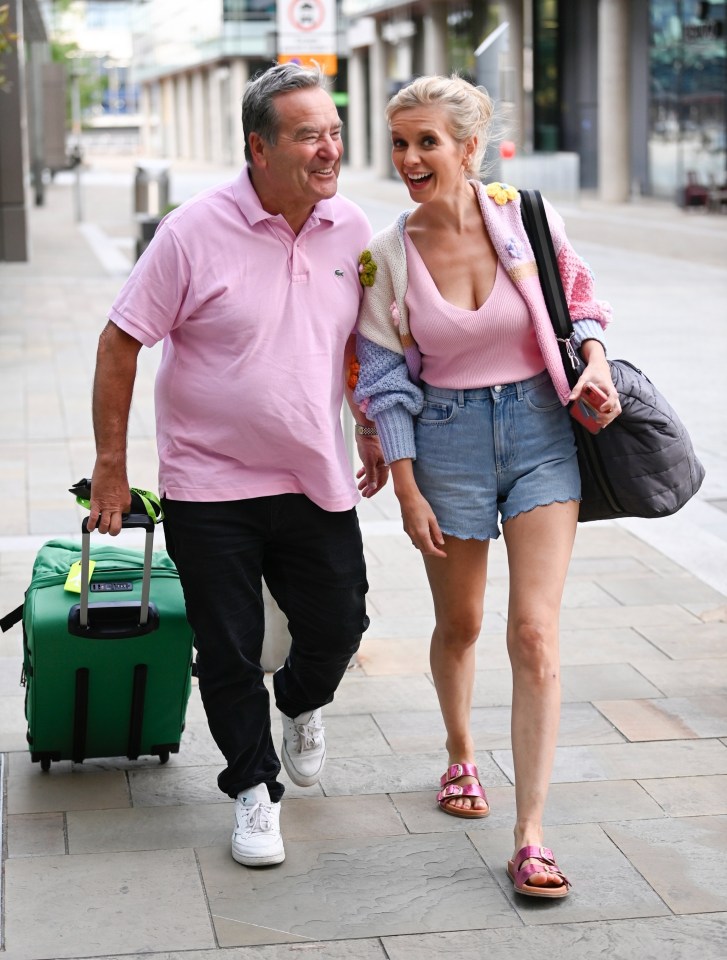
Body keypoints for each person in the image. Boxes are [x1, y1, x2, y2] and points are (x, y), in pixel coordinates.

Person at [88, 63, 388, 868]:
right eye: (307, 136)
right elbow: (121, 341)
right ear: (258, 148)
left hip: (313, 473)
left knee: (340, 624)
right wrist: (111, 468)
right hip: (210, 481)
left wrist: (368, 427)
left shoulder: (351, 227)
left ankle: (297, 701)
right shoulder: (193, 230)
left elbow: (362, 342)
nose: (328, 150)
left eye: (332, 132)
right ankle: (253, 789)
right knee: (226, 647)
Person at [353, 75, 621, 899]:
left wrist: (596, 367)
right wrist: (404, 486)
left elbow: (580, 308)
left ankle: (531, 836)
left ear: (469, 147)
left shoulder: (526, 217)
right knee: (460, 623)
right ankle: (459, 755)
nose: (409, 159)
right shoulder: (386, 254)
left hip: (541, 434)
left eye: (426, 141)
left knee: (533, 633)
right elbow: (383, 379)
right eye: (399, 142)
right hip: (444, 444)